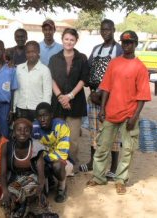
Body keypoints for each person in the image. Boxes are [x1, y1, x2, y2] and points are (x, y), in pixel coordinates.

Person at [86, 30, 151, 195]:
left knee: (127, 150)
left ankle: (121, 180)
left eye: (130, 42)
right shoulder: (114, 63)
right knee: (102, 147)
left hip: (129, 115)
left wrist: (134, 117)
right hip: (111, 113)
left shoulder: (140, 67)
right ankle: (99, 177)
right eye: (124, 42)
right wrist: (102, 109)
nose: (127, 45)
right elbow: (106, 87)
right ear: (121, 44)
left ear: (135, 44)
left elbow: (142, 96)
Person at [79, 19, 123, 178]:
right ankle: (92, 162)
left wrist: (105, 96)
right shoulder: (97, 49)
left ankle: (113, 167)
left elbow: (120, 77)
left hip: (112, 98)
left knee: (113, 133)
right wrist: (93, 92)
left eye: (108, 29)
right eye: (102, 30)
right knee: (94, 131)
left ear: (113, 30)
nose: (105, 32)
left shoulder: (119, 50)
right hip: (94, 96)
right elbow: (90, 68)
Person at [0, 118, 58, 217]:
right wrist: (5, 192)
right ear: (14, 132)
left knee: (28, 191)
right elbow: (3, 174)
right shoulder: (6, 147)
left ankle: (27, 208)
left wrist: (39, 190)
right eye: (19, 130)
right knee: (6, 202)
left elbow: (41, 174)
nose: (22, 132)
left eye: (26, 130)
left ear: (30, 133)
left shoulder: (36, 146)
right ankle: (25, 210)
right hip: (15, 179)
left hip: (33, 178)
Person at [48, 28, 89, 163]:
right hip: (58, 103)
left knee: (73, 138)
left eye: (72, 39)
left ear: (76, 41)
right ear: (62, 39)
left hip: (75, 103)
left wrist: (69, 96)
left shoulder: (82, 58)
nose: (69, 42)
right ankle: (57, 164)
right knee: (58, 135)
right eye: (66, 39)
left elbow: (83, 79)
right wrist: (61, 97)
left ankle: (71, 165)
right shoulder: (54, 59)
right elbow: (51, 79)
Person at [32, 102, 72, 203]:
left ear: (51, 115)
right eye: (39, 116)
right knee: (35, 163)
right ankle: (47, 183)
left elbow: (62, 154)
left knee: (57, 166)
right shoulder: (34, 127)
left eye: (45, 115)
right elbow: (33, 151)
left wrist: (43, 159)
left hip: (61, 160)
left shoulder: (61, 126)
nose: (42, 119)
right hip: (44, 159)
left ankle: (62, 187)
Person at [13, 41, 52, 122]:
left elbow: (47, 92)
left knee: (36, 133)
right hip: (21, 108)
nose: (31, 54)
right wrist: (14, 108)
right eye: (28, 52)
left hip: (37, 110)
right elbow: (16, 90)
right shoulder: (19, 69)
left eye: (33, 52)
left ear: (38, 52)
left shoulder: (44, 70)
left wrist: (45, 111)